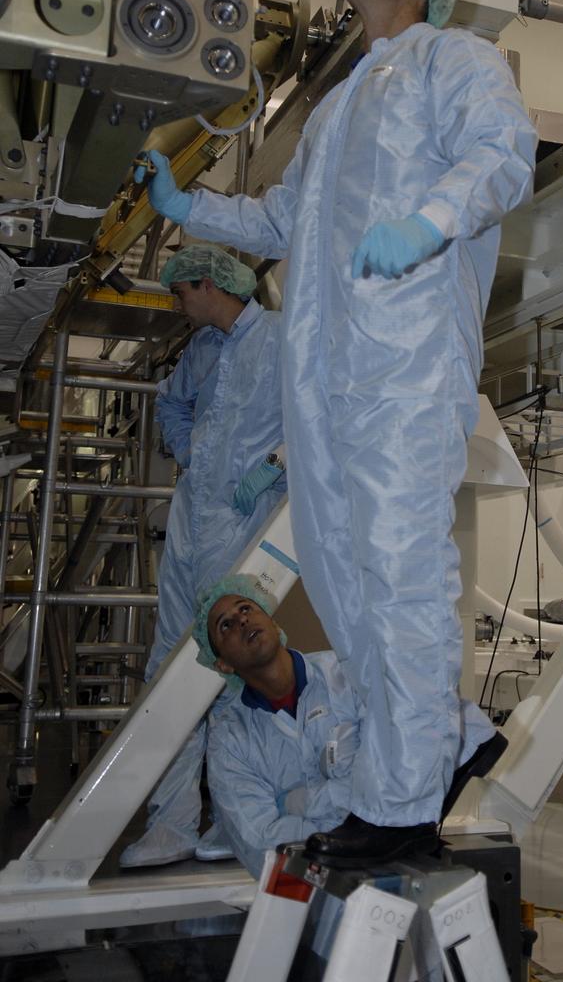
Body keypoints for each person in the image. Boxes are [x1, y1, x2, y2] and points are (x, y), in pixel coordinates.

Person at [133, 0, 534, 864]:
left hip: (402, 360)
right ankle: (431, 747)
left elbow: (501, 154)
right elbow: (282, 223)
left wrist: (431, 223)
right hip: (326, 379)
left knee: (398, 570)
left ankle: (401, 796)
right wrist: (195, 210)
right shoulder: (341, 99)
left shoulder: (456, 61)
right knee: (345, 577)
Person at [119, 245, 288, 868]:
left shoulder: (282, 337)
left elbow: (322, 413)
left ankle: (240, 816)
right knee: (168, 660)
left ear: (208, 285)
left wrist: (275, 467)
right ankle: (172, 822)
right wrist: (188, 454)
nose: (176, 305)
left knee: (230, 665)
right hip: (195, 514)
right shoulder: (202, 351)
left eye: (179, 293)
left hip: (246, 516)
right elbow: (171, 402)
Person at [193, 574, 506, 878]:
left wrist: (298, 804)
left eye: (246, 608)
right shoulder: (230, 739)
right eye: (226, 625)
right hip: (311, 886)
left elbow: (404, 765)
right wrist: (352, 820)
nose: (242, 620)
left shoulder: (350, 674)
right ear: (222, 664)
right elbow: (259, 845)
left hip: (399, 858)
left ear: (274, 622)